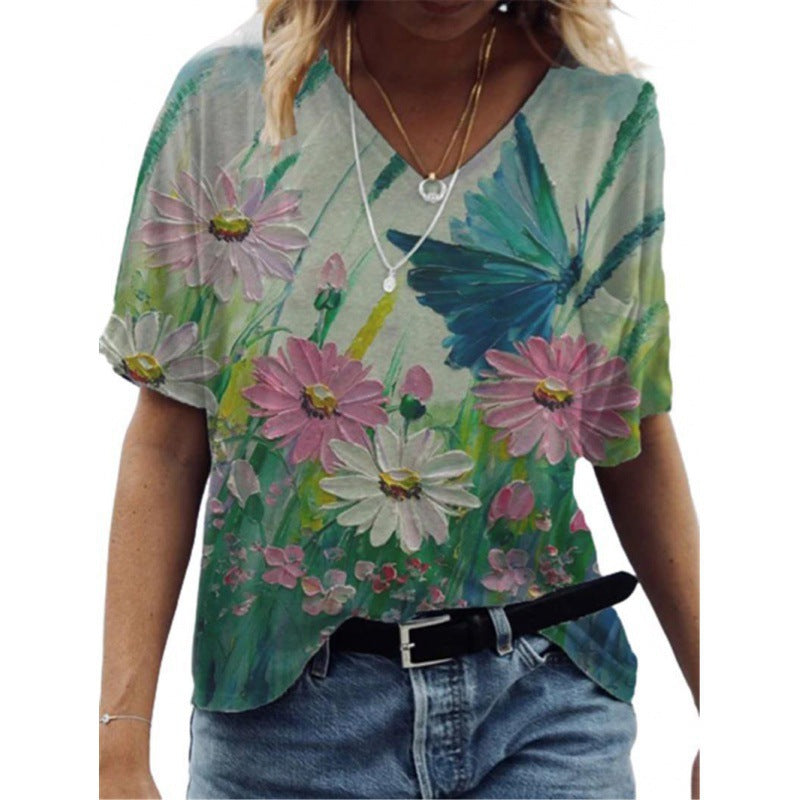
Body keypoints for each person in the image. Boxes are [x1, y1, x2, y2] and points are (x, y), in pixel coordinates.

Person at [97, 1, 700, 798]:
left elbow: (631, 427)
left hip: (545, 705)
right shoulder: (227, 99)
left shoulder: (603, 112)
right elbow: (171, 437)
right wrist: (119, 747)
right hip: (284, 726)